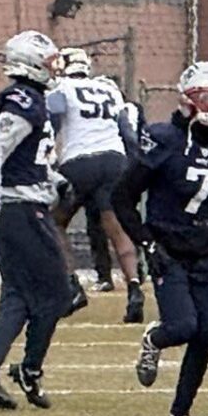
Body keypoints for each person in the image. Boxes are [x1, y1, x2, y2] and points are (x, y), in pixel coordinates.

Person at [117, 62, 208, 416]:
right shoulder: (163, 139)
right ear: (187, 99)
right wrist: (146, 242)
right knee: (182, 326)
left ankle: (180, 414)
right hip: (167, 245)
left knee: (205, 333)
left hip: (205, 247)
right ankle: (154, 339)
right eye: (205, 96)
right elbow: (123, 196)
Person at [0, 31, 74, 411]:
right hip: (22, 209)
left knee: (16, 295)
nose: (54, 69)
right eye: (48, 62)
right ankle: (29, 368)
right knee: (60, 294)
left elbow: (27, 158)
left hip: (24, 204)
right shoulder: (23, 101)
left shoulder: (35, 101)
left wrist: (56, 179)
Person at [49, 48, 146, 322]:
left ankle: (72, 285)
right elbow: (125, 129)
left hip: (79, 161)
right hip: (114, 159)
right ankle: (135, 289)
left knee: (54, 222)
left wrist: (49, 159)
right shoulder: (109, 90)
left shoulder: (62, 89)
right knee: (116, 227)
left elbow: (51, 124)